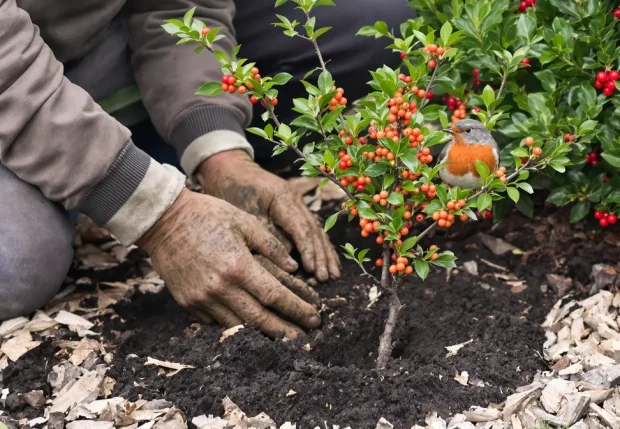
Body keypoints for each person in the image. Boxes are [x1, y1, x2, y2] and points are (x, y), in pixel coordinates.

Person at [0, 0, 412, 338]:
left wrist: (219, 151)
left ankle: (135, 147)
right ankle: (93, 168)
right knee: (16, 266)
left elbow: (180, 9)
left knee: (374, 27)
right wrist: (159, 214)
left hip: (105, 45)